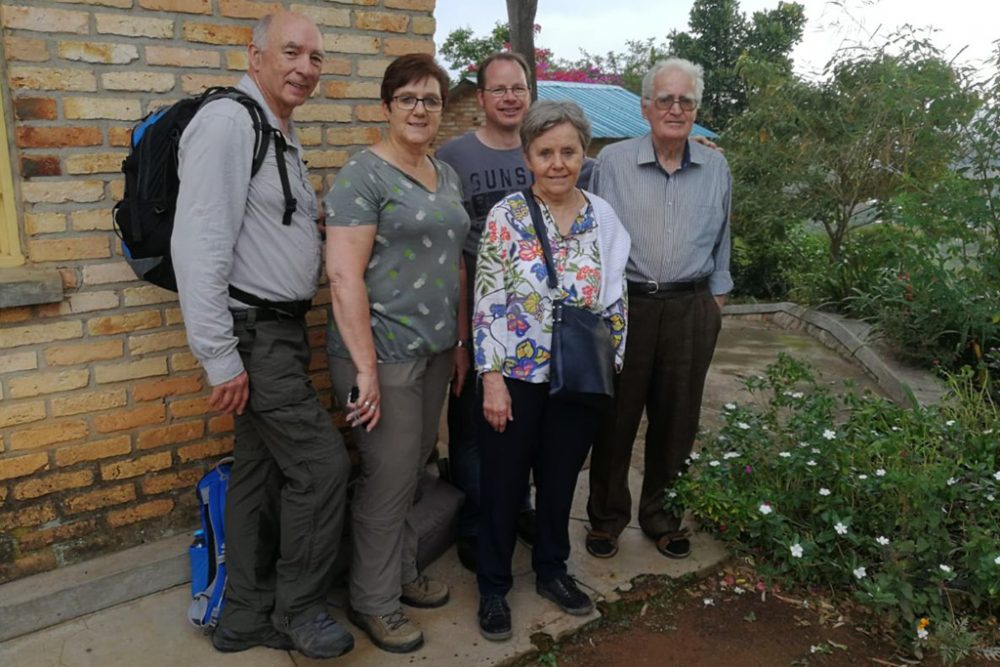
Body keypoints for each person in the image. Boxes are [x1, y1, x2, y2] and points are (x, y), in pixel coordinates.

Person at [172, 11, 353, 660]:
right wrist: (220, 357)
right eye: (292, 53)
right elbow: (199, 246)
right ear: (256, 59)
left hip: (277, 334)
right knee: (322, 466)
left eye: (316, 57)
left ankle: (243, 615)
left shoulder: (276, 129)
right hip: (253, 337)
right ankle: (299, 611)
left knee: (258, 475)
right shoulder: (228, 124)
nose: (305, 67)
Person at [323, 53, 471, 654]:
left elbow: (457, 265)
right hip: (379, 355)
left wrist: (458, 342)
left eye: (430, 100)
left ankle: (399, 574)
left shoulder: (445, 173)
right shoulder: (364, 175)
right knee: (386, 478)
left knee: (413, 473)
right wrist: (365, 370)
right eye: (407, 98)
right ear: (386, 107)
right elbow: (341, 276)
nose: (419, 109)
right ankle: (374, 601)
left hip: (434, 351)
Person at [472, 100, 630, 641]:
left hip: (577, 377)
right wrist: (490, 378)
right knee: (504, 483)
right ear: (528, 156)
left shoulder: (602, 217)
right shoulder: (506, 216)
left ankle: (551, 570)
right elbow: (488, 298)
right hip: (515, 377)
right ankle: (493, 586)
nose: (558, 162)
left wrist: (610, 365)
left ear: (584, 153)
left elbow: (615, 301)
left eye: (569, 151)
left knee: (561, 482)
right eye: (546, 152)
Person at [585, 58, 732, 562]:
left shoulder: (716, 165)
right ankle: (605, 519)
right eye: (665, 99)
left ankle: (663, 517)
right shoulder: (613, 163)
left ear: (695, 109)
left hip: (692, 306)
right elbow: (590, 235)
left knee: (677, 420)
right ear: (645, 106)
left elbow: (723, 237)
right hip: (628, 305)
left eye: (685, 101)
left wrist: (716, 299)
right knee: (615, 418)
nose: (675, 108)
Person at [434, 52, 546, 571]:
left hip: (533, 320)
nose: (509, 97)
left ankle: (517, 508)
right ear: (480, 98)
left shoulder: (544, 150)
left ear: (530, 93)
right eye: (498, 89)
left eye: (517, 88)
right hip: (476, 314)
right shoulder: (455, 157)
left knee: (523, 421)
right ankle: (476, 522)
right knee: (473, 427)